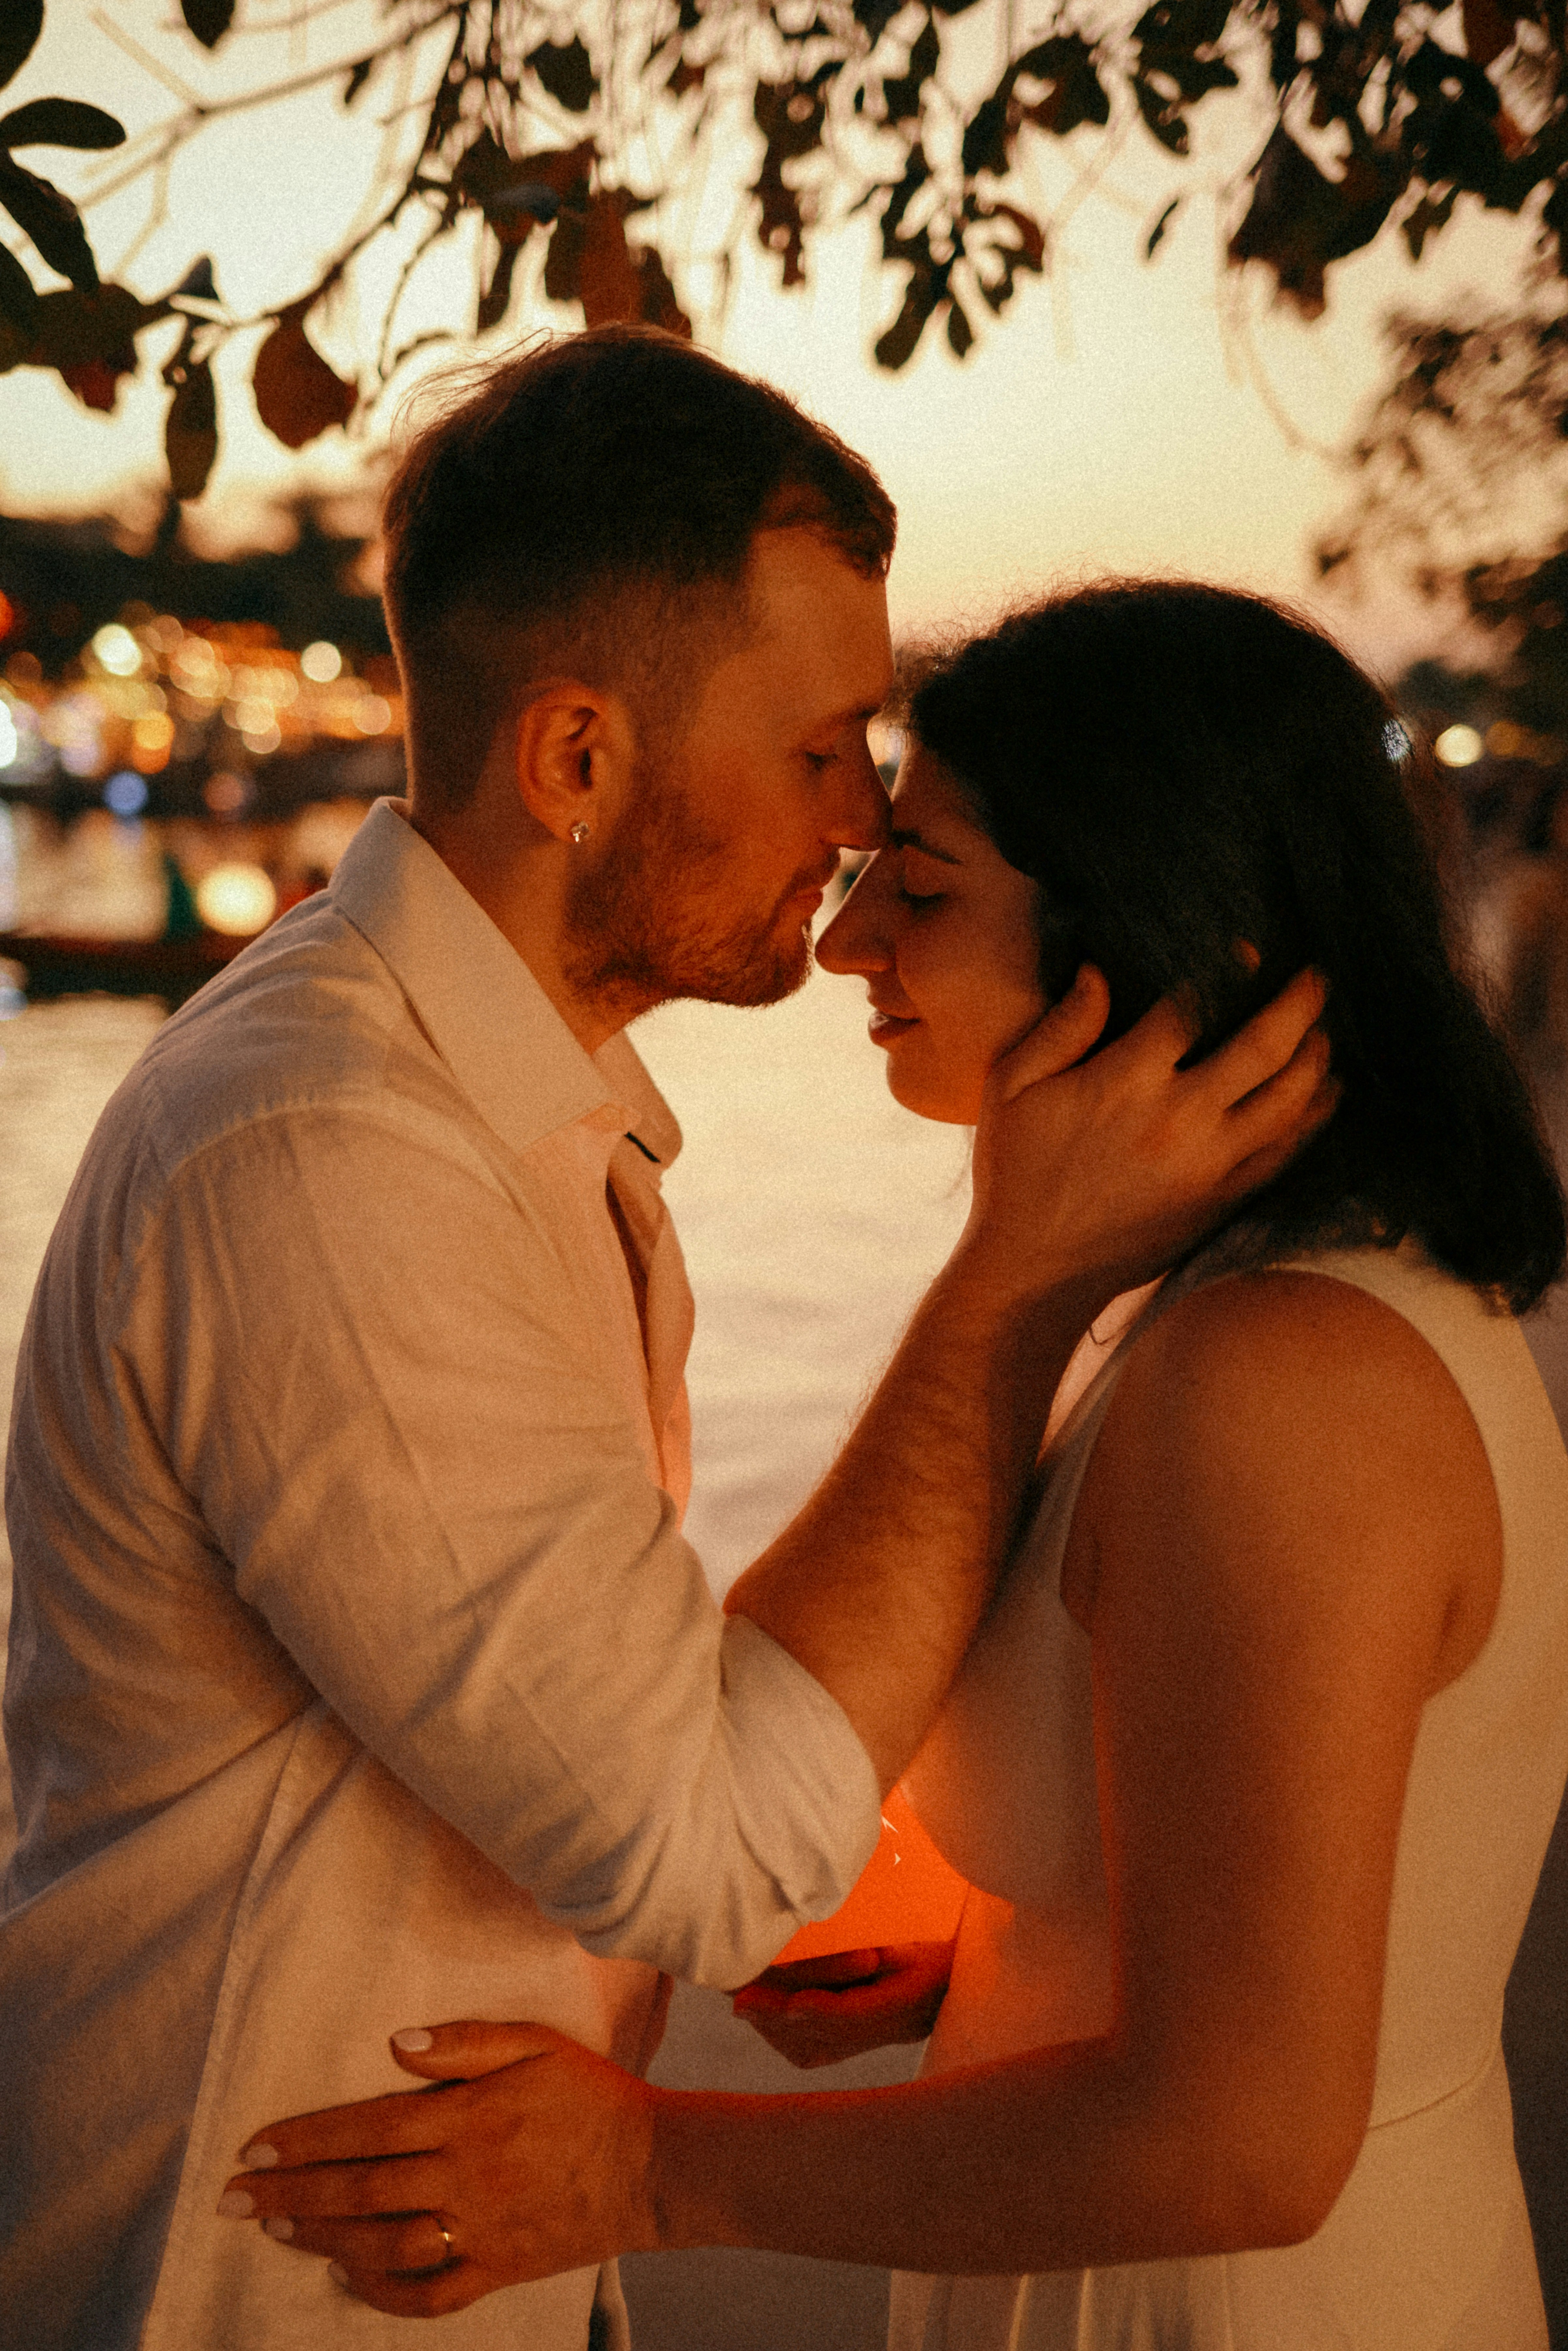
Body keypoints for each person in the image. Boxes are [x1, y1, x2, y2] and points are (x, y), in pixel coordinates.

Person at [0, 339, 1330, 2351]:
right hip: (239, 2282)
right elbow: (700, 1854)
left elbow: (636, 1739)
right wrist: (1006, 1290)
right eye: (820, 748)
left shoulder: (504, 1111)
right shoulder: (328, 1158)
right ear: (575, 762)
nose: (866, 826)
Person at [224, 582, 1568, 2351]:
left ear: (1170, 940)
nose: (843, 944)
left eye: (919, 888)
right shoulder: (1193, 1311)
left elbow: (1237, 2137)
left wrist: (643, 2170)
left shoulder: (1283, 1379)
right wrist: (992, 1941)